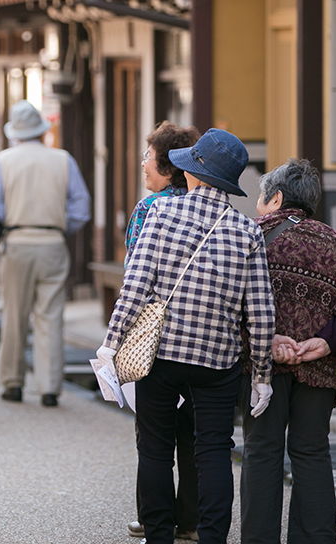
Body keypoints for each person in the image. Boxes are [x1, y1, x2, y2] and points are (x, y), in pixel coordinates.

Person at [96, 128, 275, 544]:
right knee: (213, 450)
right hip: (217, 361)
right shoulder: (247, 232)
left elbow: (136, 285)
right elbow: (261, 312)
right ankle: (211, 537)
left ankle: (158, 535)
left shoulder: (160, 213)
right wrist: (262, 376)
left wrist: (111, 342)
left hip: (160, 355)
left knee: (154, 448)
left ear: (194, 173)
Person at [240, 158, 336, 544]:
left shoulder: (251, 234)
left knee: (262, 449)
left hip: (263, 364)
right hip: (319, 365)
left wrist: (267, 339)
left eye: (262, 196)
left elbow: (231, 299)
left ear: (276, 198)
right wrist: (326, 341)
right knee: (312, 450)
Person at [125, 121, 202, 542]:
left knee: (153, 437)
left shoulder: (149, 209)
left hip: (154, 335)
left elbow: (134, 273)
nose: (143, 164)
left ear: (168, 167)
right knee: (193, 432)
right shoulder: (206, 205)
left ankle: (153, 520)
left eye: (148, 157)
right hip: (202, 334)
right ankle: (190, 520)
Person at [0, 100, 91, 407]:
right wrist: (59, 227)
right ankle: (50, 387)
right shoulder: (63, 159)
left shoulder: (3, 161)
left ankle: (12, 382)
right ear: (41, 130)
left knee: (14, 316)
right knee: (51, 315)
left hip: (17, 241)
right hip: (52, 243)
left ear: (15, 132)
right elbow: (81, 208)